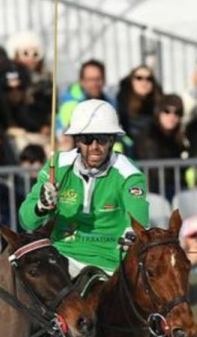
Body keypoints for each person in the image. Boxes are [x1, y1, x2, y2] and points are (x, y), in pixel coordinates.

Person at [18, 99, 148, 278]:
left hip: (110, 264)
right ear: (77, 140)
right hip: (62, 257)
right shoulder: (57, 165)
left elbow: (139, 222)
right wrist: (40, 207)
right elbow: (26, 221)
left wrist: (132, 235)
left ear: (112, 140)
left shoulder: (130, 174)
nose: (95, 147)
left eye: (102, 139)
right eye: (88, 139)